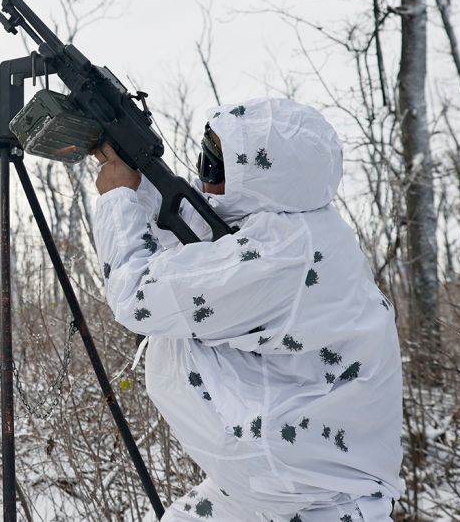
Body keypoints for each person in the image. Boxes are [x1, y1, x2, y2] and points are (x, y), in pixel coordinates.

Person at [91, 97, 403, 521]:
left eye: (218, 165)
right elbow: (192, 256)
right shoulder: (296, 226)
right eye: (205, 157)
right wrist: (141, 180)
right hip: (281, 484)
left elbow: (139, 296)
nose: (206, 177)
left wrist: (116, 200)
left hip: (311, 496)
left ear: (264, 172)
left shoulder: (280, 252)